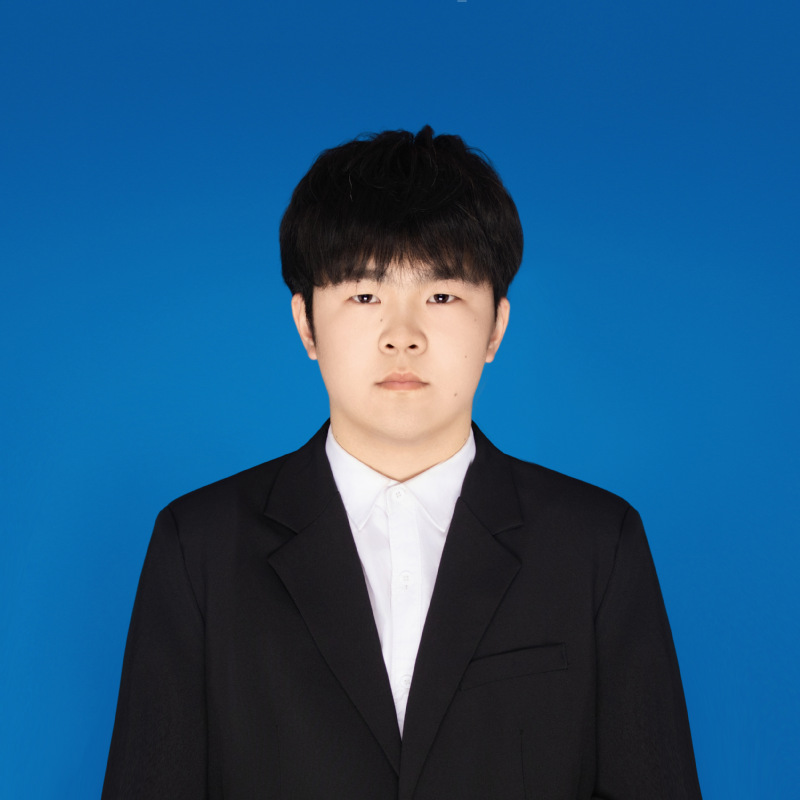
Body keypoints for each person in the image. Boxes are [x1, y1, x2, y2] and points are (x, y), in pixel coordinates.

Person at [102, 126, 702, 799]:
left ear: (496, 326)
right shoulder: (200, 546)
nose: (403, 336)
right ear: (306, 323)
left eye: (442, 296)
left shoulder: (595, 542)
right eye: (365, 296)